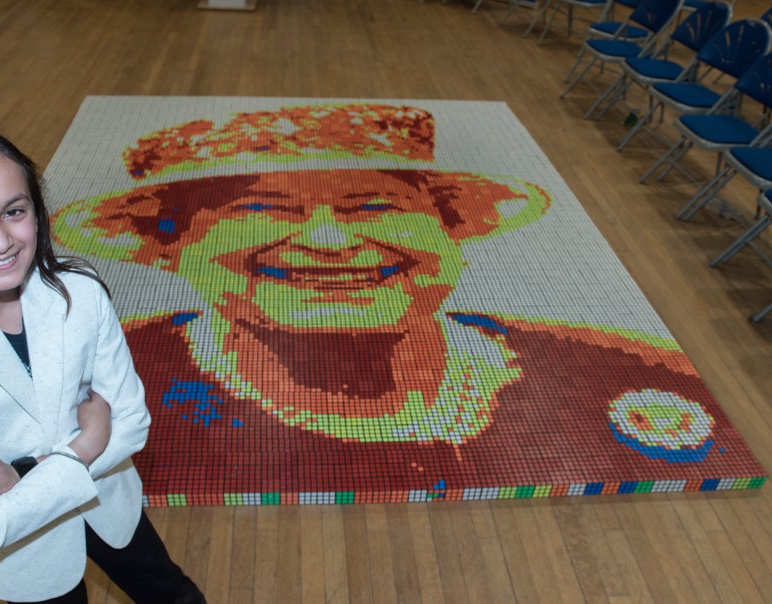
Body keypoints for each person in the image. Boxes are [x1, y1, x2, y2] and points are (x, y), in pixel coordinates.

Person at [48, 103, 759, 500]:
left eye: (374, 207)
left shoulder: (630, 373)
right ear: (168, 247)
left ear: (452, 231)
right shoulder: (99, 383)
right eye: (264, 209)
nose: (327, 241)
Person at [0, 117, 205, 603]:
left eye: (13, 211)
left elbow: (132, 422)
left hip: (104, 502)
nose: (1, 240)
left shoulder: (80, 292)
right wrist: (87, 443)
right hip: (24, 548)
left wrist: (24, 474)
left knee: (171, 592)